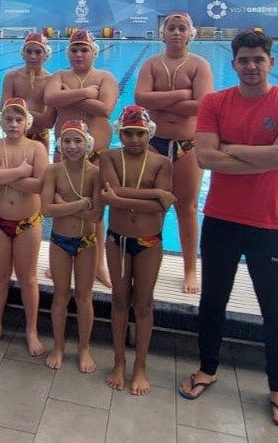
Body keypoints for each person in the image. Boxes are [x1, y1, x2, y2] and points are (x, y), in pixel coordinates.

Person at [177, 30, 278, 429]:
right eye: (244, 60)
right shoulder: (215, 102)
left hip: (271, 220)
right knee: (212, 301)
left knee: (273, 309)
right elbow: (205, 157)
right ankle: (207, 369)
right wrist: (267, 155)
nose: (251, 66)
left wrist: (231, 148)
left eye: (258, 59)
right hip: (221, 218)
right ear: (233, 63)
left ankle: (277, 388)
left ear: (271, 62)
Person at [134, 12, 213, 294]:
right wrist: (181, 95)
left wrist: (159, 103)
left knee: (186, 207)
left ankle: (190, 268)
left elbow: (203, 105)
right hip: (153, 143)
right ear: (163, 33)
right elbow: (140, 98)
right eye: (172, 28)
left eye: (182, 28)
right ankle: (145, 262)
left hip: (186, 146)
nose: (177, 32)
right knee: (150, 205)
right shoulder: (151, 64)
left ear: (190, 34)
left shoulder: (199, 65)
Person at [100, 105, 174, 395]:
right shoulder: (109, 157)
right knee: (119, 301)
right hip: (117, 239)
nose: (134, 139)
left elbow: (161, 208)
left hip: (148, 242)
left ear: (149, 133)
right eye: (128, 133)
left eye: (139, 133)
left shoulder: (162, 164)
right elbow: (112, 194)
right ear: (119, 133)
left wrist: (121, 199)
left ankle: (140, 366)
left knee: (143, 304)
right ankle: (119, 362)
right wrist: (155, 193)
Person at [44, 29, 117, 287]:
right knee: (62, 203)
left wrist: (70, 94)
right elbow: (50, 97)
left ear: (93, 52)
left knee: (96, 209)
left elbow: (105, 109)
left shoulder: (106, 77)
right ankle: (59, 259)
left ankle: (98, 263)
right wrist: (87, 93)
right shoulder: (59, 76)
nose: (78, 54)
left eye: (84, 49)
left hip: (96, 156)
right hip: (64, 156)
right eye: (74, 49)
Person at [0, 98, 49, 355]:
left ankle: (32, 331)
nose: (14, 124)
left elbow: (40, 185)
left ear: (27, 122)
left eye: (19, 119)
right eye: (9, 119)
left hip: (27, 223)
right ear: (1, 122)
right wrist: (20, 171)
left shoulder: (37, 148)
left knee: (28, 278)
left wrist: (2, 175)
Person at [41, 119, 103, 372]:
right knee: (60, 295)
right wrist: (80, 204)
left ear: (88, 143)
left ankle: (84, 348)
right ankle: (58, 346)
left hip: (87, 242)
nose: (72, 146)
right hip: (60, 241)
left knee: (84, 297)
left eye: (78, 140)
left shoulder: (96, 174)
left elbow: (96, 215)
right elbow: (46, 210)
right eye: (67, 141)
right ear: (60, 144)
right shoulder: (53, 171)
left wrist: (62, 204)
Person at [0, 32, 57, 154]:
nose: (33, 56)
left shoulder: (51, 81)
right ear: (23, 53)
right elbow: (4, 111)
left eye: (38, 52)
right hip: (14, 137)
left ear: (46, 54)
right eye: (29, 52)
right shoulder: (11, 77)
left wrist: (18, 112)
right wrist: (38, 117)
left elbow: (49, 122)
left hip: (39, 137)